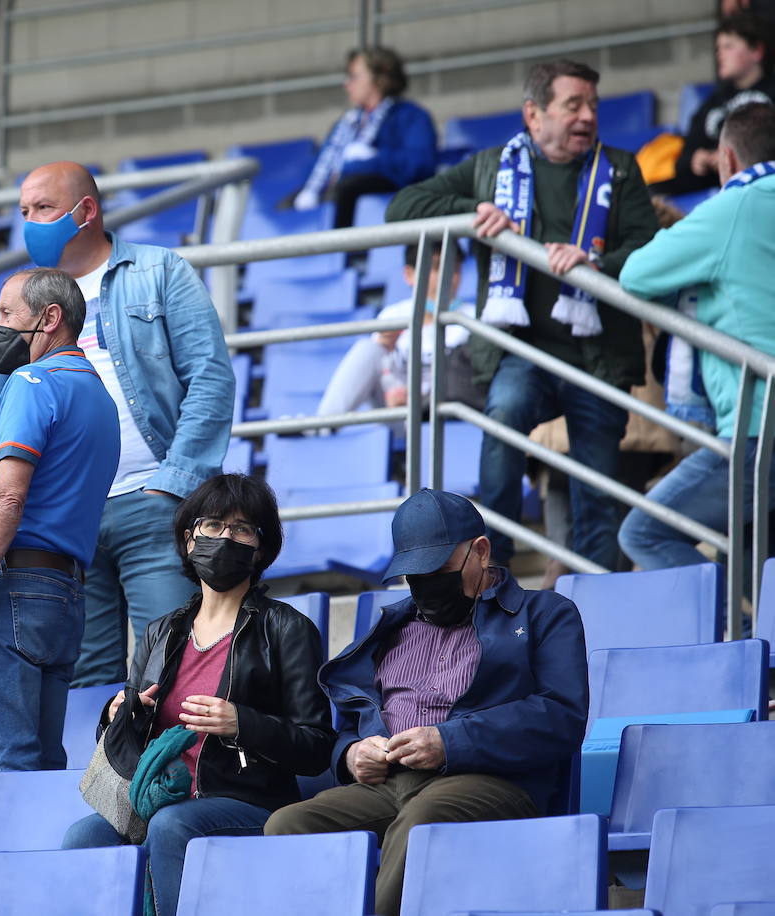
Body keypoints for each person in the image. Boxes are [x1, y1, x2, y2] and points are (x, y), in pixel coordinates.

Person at [0, 161, 234, 690]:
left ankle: (171, 775)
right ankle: (102, 778)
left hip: (150, 505)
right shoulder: (20, 296)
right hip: (60, 523)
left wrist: (174, 484)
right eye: (23, 212)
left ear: (85, 210)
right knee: (83, 684)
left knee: (172, 665)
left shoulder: (159, 271)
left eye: (42, 208)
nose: (29, 223)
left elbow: (210, 379)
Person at [386, 59, 659, 571]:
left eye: (593, 106)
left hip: (596, 360)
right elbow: (402, 206)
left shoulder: (620, 169)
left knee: (597, 492)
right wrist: (473, 211)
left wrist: (596, 263)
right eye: (573, 105)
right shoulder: (492, 167)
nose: (587, 116)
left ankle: (594, 601)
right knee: (504, 416)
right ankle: (493, 576)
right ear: (534, 115)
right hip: (521, 351)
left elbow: (647, 248)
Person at [265, 488, 587, 916]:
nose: (425, 585)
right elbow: (345, 728)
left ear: (481, 552)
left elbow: (562, 715)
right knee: (288, 824)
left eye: (438, 569)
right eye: (413, 575)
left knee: (422, 819)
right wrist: (352, 755)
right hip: (388, 784)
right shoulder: (390, 627)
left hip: (491, 780)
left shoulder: (546, 614)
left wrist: (450, 742)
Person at [61, 473, 334, 916]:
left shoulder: (286, 628)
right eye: (212, 526)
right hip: (160, 796)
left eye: (242, 529)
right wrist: (117, 719)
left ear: (259, 549)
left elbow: (316, 747)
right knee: (83, 836)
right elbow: (127, 746)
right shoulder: (161, 632)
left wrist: (241, 723)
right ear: (189, 540)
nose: (225, 538)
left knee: (171, 826)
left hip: (249, 801)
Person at [0, 268, 119, 779]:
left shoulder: (33, 382)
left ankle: (11, 861)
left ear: (50, 318)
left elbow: (8, 496)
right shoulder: (100, 397)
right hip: (62, 593)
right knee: (42, 763)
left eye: (7, 314)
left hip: (10, 589)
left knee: (6, 767)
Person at [618, 103, 775, 570]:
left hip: (757, 425)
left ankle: (736, 636)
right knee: (757, 551)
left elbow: (636, 275)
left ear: (726, 159)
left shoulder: (734, 206)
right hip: (756, 424)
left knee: (644, 531)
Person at [317, 243, 477, 419]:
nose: (446, 278)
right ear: (409, 275)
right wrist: (394, 391)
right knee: (368, 349)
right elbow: (384, 370)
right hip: (400, 411)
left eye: (454, 269)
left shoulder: (474, 317)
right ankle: (324, 423)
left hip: (446, 414)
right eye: (436, 267)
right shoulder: (393, 315)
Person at [290, 47, 438, 228]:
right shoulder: (346, 123)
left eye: (354, 76)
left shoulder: (412, 117)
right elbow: (318, 166)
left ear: (380, 78)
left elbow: (420, 164)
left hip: (384, 200)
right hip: (336, 193)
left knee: (347, 187)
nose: (346, 84)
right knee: (288, 203)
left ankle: (341, 250)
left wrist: (371, 160)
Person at [659, 14, 775, 195]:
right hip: (715, 187)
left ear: (757, 51)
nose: (720, 54)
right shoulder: (713, 101)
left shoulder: (771, 92)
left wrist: (734, 157)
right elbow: (684, 158)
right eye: (718, 48)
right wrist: (696, 160)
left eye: (728, 46)